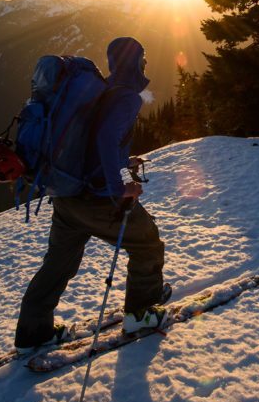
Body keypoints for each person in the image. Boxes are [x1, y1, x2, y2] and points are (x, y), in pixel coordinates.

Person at [14, 36, 167, 354]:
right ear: (136, 62)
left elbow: (98, 145)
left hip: (67, 195)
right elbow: (106, 137)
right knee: (147, 243)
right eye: (143, 57)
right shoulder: (126, 97)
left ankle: (33, 331)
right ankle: (141, 315)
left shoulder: (101, 89)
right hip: (96, 199)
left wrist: (125, 166)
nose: (146, 63)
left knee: (58, 262)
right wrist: (121, 186)